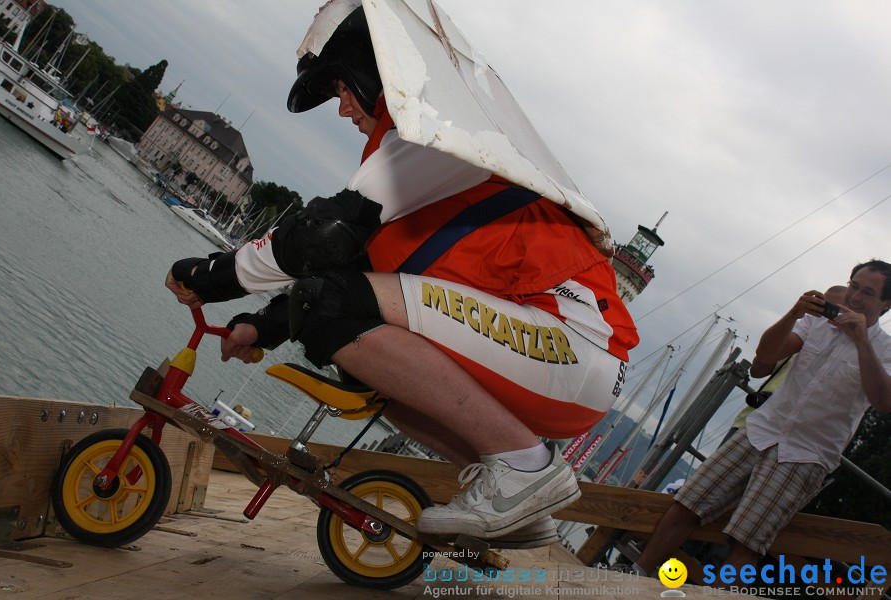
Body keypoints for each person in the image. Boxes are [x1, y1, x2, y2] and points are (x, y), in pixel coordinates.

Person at [165, 2, 638, 548]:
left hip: (569, 347)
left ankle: (525, 469)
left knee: (331, 306)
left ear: (377, 69)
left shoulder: (441, 131)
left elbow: (322, 236)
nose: (341, 109)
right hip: (557, 365)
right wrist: (264, 326)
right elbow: (352, 263)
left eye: (342, 87)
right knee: (369, 361)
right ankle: (519, 504)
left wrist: (215, 276)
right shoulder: (417, 152)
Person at [634, 259, 891, 579]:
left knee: (747, 541)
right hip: (762, 427)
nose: (854, 296)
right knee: (687, 504)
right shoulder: (817, 324)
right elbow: (764, 361)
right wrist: (794, 314)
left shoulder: (885, 349)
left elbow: (883, 402)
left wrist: (861, 340)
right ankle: (638, 574)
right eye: (853, 286)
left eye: (867, 292)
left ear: (885, 304)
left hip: (807, 454)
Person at [719, 285, 848, 446]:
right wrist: (793, 315)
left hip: (796, 441)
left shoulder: (849, 355)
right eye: (821, 307)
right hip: (752, 421)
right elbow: (758, 369)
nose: (824, 315)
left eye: (833, 310)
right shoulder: (801, 337)